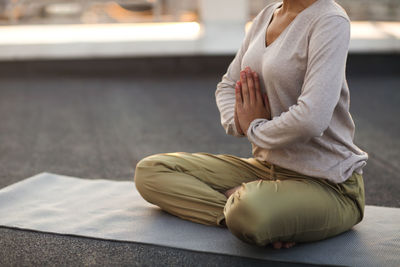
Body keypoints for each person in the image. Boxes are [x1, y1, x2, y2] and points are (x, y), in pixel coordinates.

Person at [134, 0, 368, 250]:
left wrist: (255, 128)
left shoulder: (330, 20)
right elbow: (227, 85)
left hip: (328, 184)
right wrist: (242, 123)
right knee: (151, 171)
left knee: (252, 210)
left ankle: (250, 210)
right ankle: (243, 213)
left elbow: (312, 119)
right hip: (266, 169)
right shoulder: (269, 13)